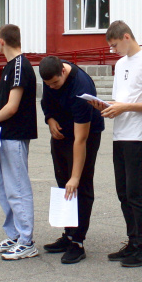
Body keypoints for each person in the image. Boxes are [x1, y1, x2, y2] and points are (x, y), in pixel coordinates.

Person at [99, 20, 142, 268]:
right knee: (123, 191)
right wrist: (107, 106)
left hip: (139, 135)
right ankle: (133, 241)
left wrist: (125, 107)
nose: (113, 50)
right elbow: (119, 99)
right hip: (121, 134)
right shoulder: (120, 64)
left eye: (115, 45)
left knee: (136, 192)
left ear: (127, 37)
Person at [39, 56, 105, 264]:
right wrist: (50, 119)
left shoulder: (81, 87)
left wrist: (75, 176)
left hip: (85, 134)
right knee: (62, 182)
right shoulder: (50, 74)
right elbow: (46, 102)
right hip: (61, 132)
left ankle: (78, 241)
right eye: (48, 84)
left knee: (80, 184)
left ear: (64, 72)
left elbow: (81, 139)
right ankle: (67, 234)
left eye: (55, 83)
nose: (52, 87)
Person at [0, 24, 38, 260]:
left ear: (1, 40)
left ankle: (26, 240)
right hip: (2, 135)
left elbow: (12, 105)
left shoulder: (20, 66)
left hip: (15, 135)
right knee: (4, 188)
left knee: (17, 188)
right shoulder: (8, 67)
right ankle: (14, 234)